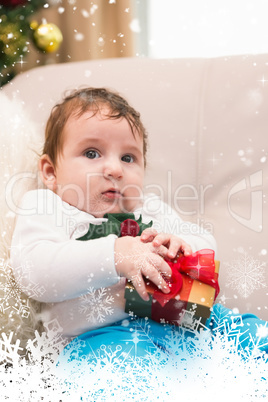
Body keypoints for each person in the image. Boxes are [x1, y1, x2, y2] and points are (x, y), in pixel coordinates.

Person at [10, 88, 267, 364]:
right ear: (50, 172)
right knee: (119, 375)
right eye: (92, 153)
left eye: (128, 158)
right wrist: (115, 255)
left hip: (190, 322)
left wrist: (182, 244)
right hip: (104, 338)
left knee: (250, 333)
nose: (115, 169)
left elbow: (205, 241)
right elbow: (35, 272)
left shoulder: (150, 207)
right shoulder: (47, 207)